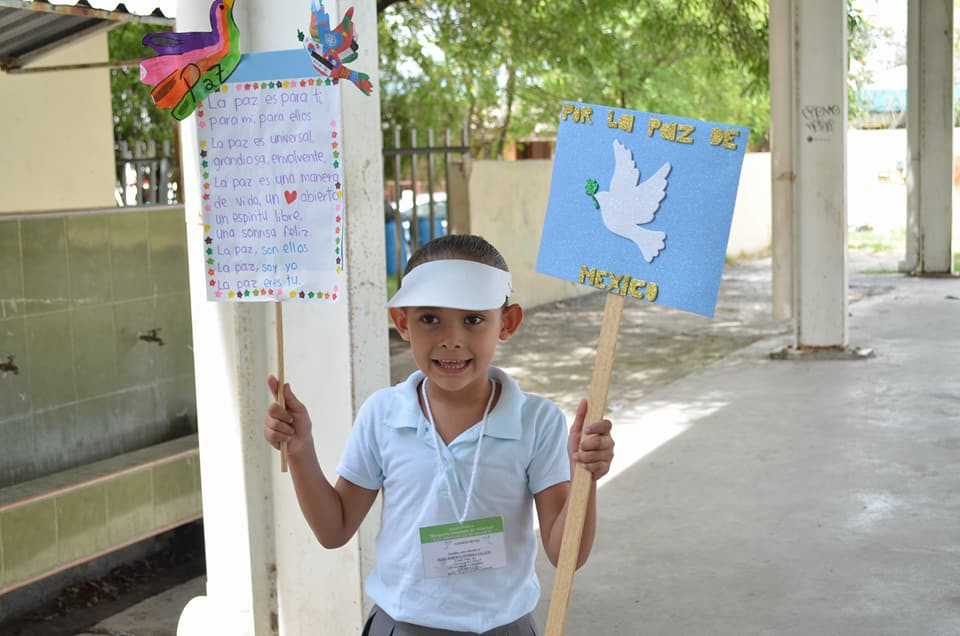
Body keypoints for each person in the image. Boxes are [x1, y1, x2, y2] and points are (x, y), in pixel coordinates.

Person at [263, 234, 615, 635]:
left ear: (508, 322)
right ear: (402, 323)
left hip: (503, 627)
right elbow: (334, 529)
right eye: (430, 318)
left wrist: (586, 473)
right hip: (402, 625)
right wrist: (300, 450)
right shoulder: (383, 414)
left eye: (473, 319)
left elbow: (565, 554)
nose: (451, 339)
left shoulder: (538, 420)